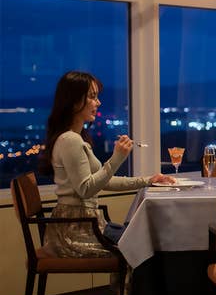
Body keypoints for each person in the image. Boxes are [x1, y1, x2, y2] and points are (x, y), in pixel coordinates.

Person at [39, 70, 175, 258]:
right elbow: (86, 189)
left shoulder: (74, 138)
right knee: (147, 247)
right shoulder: (70, 140)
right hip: (75, 231)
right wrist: (117, 158)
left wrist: (148, 180)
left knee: (146, 240)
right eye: (92, 97)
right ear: (75, 101)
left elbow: (105, 181)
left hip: (85, 224)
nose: (98, 102)